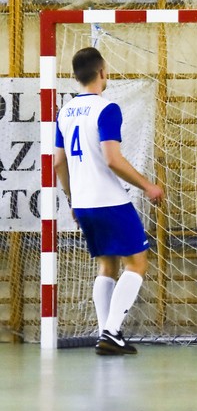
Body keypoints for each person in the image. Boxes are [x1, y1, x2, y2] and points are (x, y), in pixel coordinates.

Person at [54, 46, 165, 356]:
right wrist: (147, 186)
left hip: (85, 204)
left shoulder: (64, 112)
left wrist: (72, 199)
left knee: (107, 264)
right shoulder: (107, 108)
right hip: (109, 200)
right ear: (101, 73)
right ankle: (112, 332)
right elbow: (113, 159)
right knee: (137, 262)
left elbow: (58, 164)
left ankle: (107, 334)